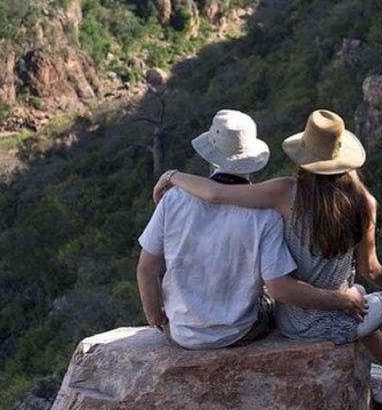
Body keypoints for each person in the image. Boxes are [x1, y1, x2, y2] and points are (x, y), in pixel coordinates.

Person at [153, 109, 382, 405]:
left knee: (357, 296)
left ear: (304, 158)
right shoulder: (364, 203)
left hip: (289, 319)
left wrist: (173, 175)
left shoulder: (284, 192)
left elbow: (217, 194)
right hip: (331, 319)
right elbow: (371, 271)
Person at [137, 109, 368, 351]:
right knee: (265, 297)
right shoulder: (266, 215)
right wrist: (341, 300)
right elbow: (279, 286)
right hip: (238, 332)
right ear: (251, 158)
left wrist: (157, 318)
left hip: (182, 332)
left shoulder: (173, 200)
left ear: (210, 154)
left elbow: (146, 270)